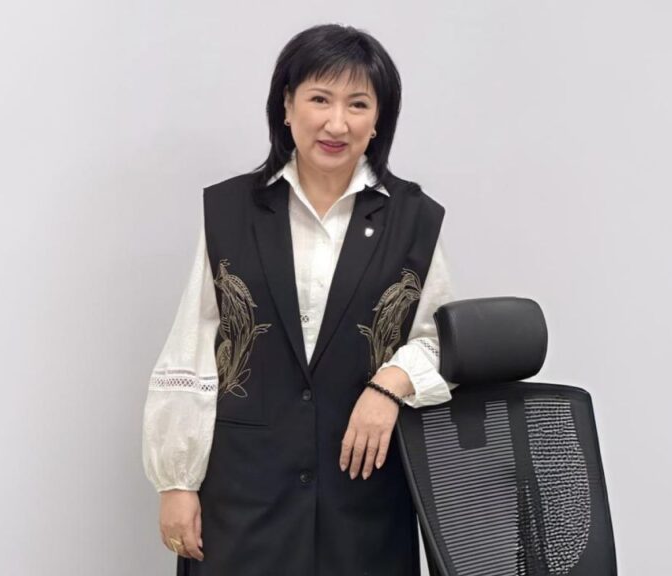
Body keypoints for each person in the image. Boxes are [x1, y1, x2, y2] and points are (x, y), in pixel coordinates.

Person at [141, 23, 457, 575]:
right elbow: (193, 343)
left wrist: (390, 384)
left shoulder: (414, 219)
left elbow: (443, 341)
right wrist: (177, 481)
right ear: (287, 106)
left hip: (363, 500)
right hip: (244, 497)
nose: (337, 123)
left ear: (378, 120)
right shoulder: (231, 211)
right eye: (320, 99)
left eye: (358, 104)